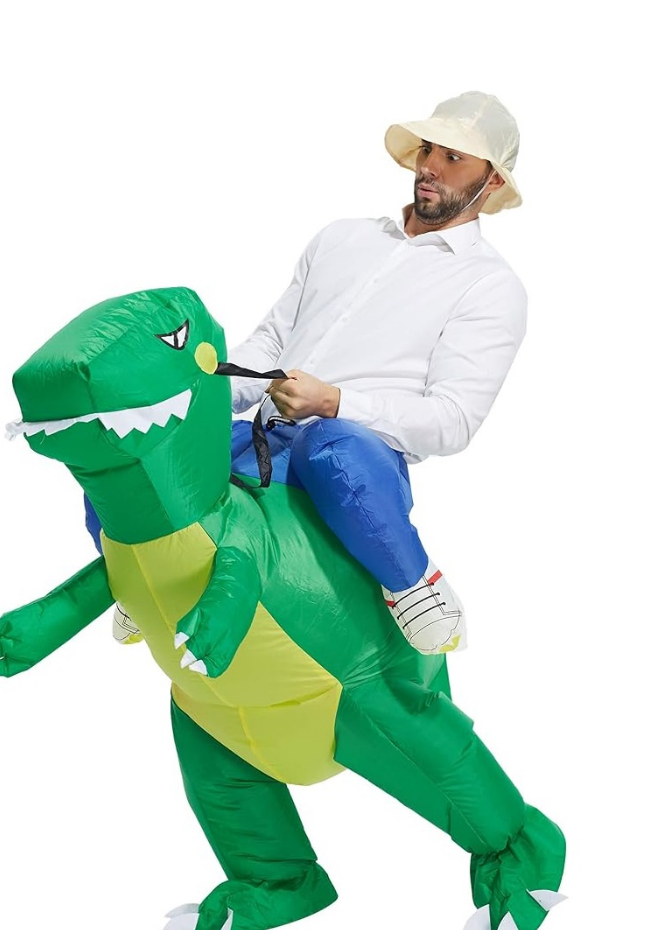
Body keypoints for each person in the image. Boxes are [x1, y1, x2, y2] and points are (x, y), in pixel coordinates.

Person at [110, 91, 527, 656]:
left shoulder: (489, 286)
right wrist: (200, 395)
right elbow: (272, 342)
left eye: (454, 158)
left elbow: (452, 421)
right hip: (264, 439)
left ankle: (412, 582)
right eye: (430, 149)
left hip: (355, 459)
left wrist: (334, 402)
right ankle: (144, 579)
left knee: (331, 445)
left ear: (492, 180)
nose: (430, 166)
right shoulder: (343, 237)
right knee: (141, 452)